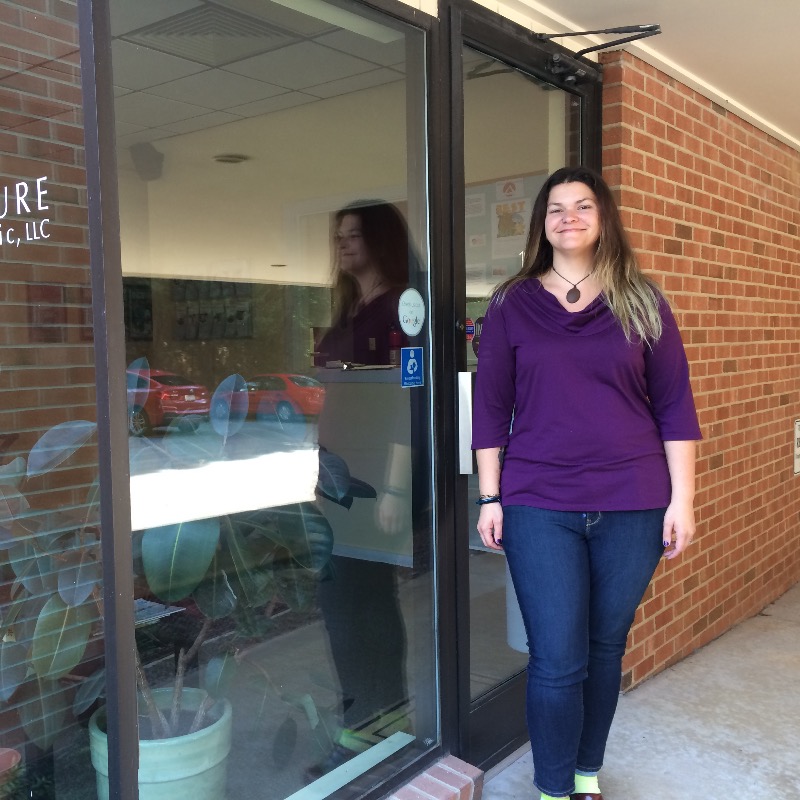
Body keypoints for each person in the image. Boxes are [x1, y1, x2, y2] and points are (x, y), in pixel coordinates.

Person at [471, 166, 701, 800]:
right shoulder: (511, 303)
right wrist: (490, 495)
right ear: (541, 225)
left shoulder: (641, 300)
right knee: (556, 656)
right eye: (555, 208)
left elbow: (675, 407)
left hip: (634, 503)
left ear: (604, 219)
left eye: (582, 205)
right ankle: (551, 790)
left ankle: (585, 775)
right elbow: (489, 408)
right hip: (539, 502)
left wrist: (682, 499)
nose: (568, 216)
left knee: (603, 649)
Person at [309, 200, 414, 779]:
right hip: (335, 478)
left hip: (375, 483)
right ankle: (380, 717)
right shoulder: (349, 310)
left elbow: (408, 399)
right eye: (338, 234)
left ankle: (369, 724)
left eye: (354, 235)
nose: (343, 244)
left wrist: (397, 489)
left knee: (357, 601)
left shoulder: (401, 306)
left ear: (380, 241)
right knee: (352, 600)